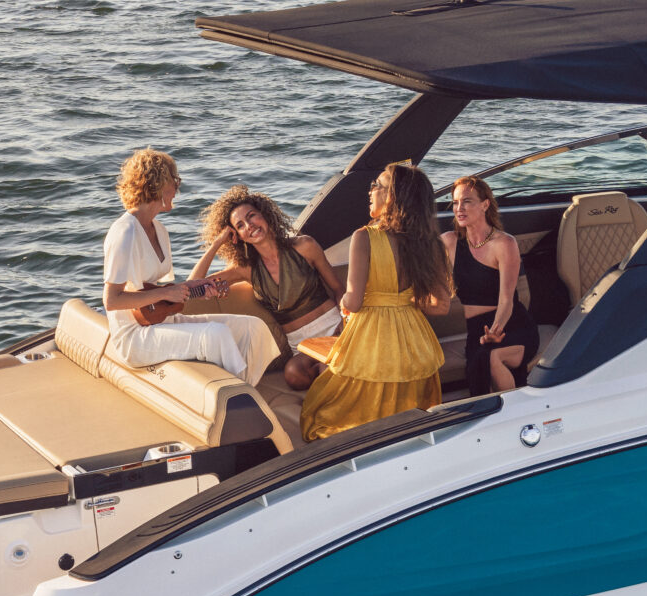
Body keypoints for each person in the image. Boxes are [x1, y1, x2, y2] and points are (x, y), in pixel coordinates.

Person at [299, 162, 453, 441]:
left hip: (372, 337)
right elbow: (441, 306)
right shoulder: (431, 242)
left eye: (377, 185)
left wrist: (345, 302)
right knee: (407, 419)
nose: (370, 191)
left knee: (329, 412)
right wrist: (402, 301)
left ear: (392, 196)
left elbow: (354, 302)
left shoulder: (364, 237)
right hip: (414, 342)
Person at [101, 149, 276, 383]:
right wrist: (165, 293)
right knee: (217, 334)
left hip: (160, 321)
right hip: (134, 337)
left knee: (251, 327)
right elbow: (112, 300)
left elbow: (161, 292)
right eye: (175, 181)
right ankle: (237, 396)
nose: (177, 188)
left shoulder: (159, 230)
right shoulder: (124, 231)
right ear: (159, 184)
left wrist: (200, 288)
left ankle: (243, 388)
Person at [188, 186, 344, 389]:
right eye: (240, 225)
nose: (250, 225)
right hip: (301, 345)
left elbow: (338, 288)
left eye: (252, 216)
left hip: (334, 329)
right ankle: (334, 371)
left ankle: (334, 371)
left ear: (265, 215)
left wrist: (347, 322)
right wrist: (218, 242)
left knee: (327, 370)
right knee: (293, 375)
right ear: (238, 236)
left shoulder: (304, 246)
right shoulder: (245, 269)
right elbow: (192, 286)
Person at [445, 174, 540, 393]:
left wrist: (496, 329)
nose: (459, 208)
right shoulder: (449, 242)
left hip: (511, 325)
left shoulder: (504, 243)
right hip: (477, 330)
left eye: (467, 201)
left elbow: (506, 299)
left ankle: (514, 410)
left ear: (485, 205)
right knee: (482, 357)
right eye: (456, 202)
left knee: (492, 357)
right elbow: (417, 254)